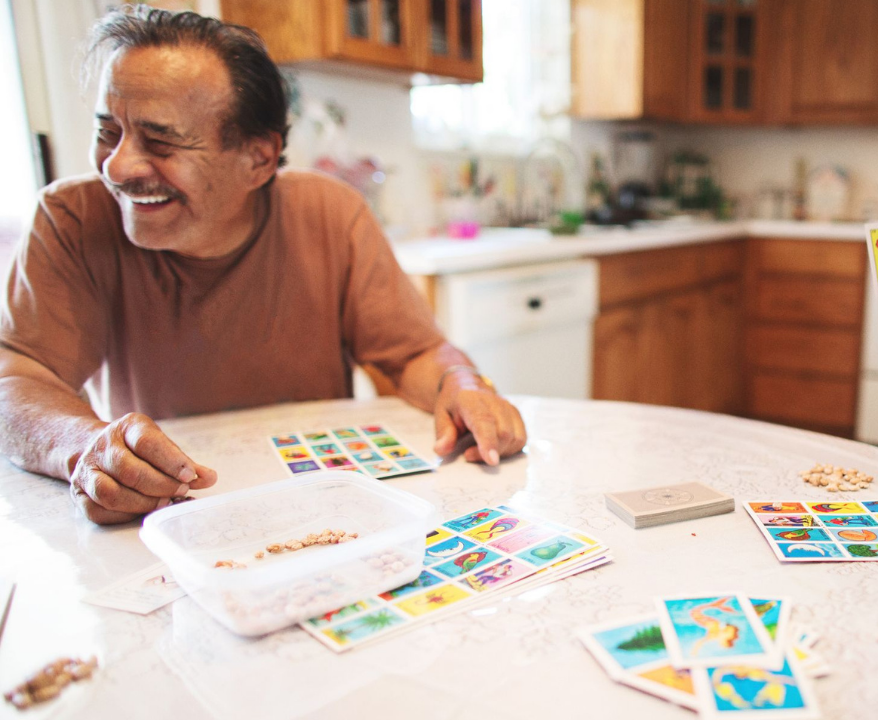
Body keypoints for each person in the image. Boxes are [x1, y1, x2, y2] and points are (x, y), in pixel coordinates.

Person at [0, 7, 526, 525]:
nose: (117, 166)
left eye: (160, 142)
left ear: (258, 158)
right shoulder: (70, 218)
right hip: (163, 516)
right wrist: (86, 447)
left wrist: (463, 383)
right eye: (107, 132)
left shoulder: (331, 212)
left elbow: (414, 354)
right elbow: (16, 379)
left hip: (317, 509)